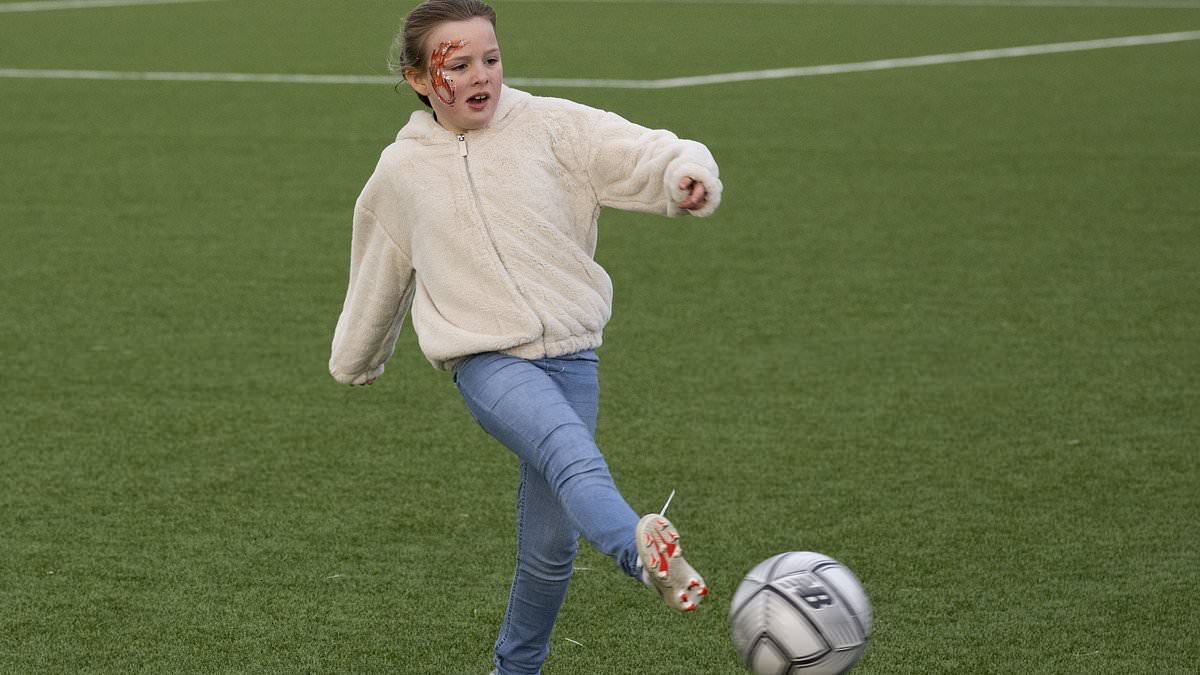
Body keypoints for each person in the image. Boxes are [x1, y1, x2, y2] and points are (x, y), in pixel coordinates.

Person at [328, 1, 723, 673]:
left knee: (549, 548)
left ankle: (514, 669)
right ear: (420, 78)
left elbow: (639, 150)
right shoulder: (400, 171)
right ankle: (640, 553)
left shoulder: (549, 125)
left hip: (573, 356)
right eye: (459, 64)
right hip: (487, 359)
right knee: (570, 451)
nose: (481, 75)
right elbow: (379, 270)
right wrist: (358, 358)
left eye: (491, 58)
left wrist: (682, 175)